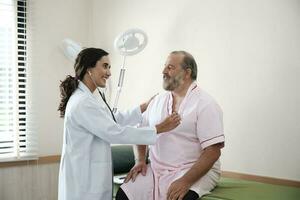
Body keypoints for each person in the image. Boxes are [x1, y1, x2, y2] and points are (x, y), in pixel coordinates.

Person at [57, 48, 181, 200]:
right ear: (89, 69)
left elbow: (110, 119)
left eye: (109, 67)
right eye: (105, 66)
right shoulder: (82, 103)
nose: (109, 73)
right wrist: (159, 128)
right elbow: (115, 132)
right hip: (84, 181)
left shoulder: (87, 99)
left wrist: (142, 108)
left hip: (88, 176)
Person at [117, 51, 225, 200]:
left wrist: (185, 181)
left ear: (187, 73)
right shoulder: (157, 101)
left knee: (182, 197)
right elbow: (140, 131)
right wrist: (140, 160)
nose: (163, 72)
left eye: (170, 67)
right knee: (124, 195)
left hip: (191, 169)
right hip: (156, 170)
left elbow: (213, 151)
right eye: (165, 67)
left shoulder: (205, 104)